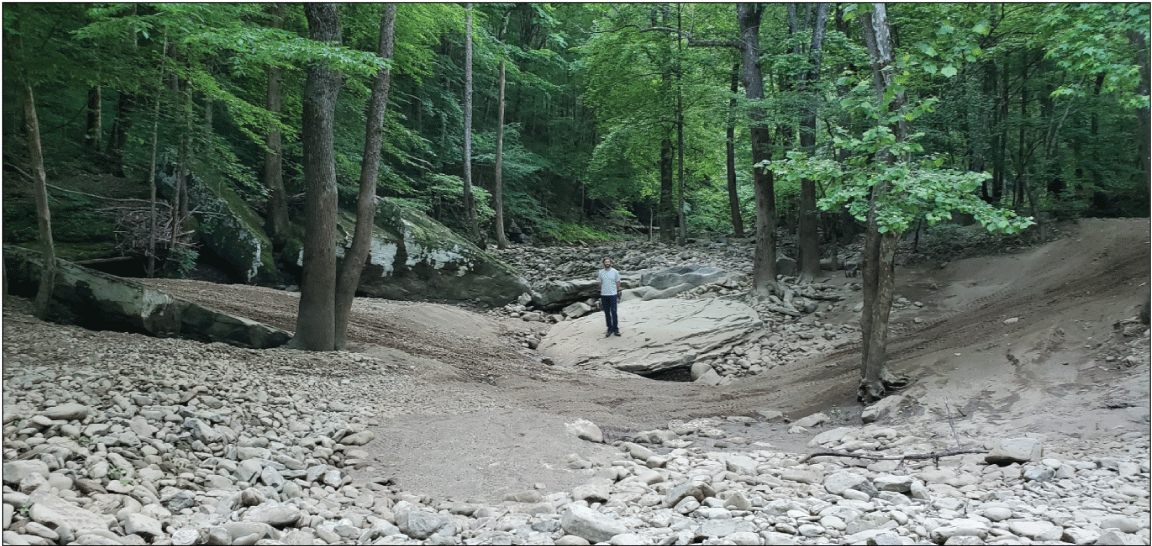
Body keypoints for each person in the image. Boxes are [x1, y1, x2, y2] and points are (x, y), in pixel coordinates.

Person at [598, 257, 622, 337]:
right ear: (603, 263)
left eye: (608, 261)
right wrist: (603, 290)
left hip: (613, 295)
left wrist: (616, 291)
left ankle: (616, 329)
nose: (607, 263)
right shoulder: (601, 272)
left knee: (614, 312)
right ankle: (609, 328)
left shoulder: (615, 272)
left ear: (610, 263)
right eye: (606, 262)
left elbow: (618, 282)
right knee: (607, 313)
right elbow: (600, 283)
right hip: (604, 295)